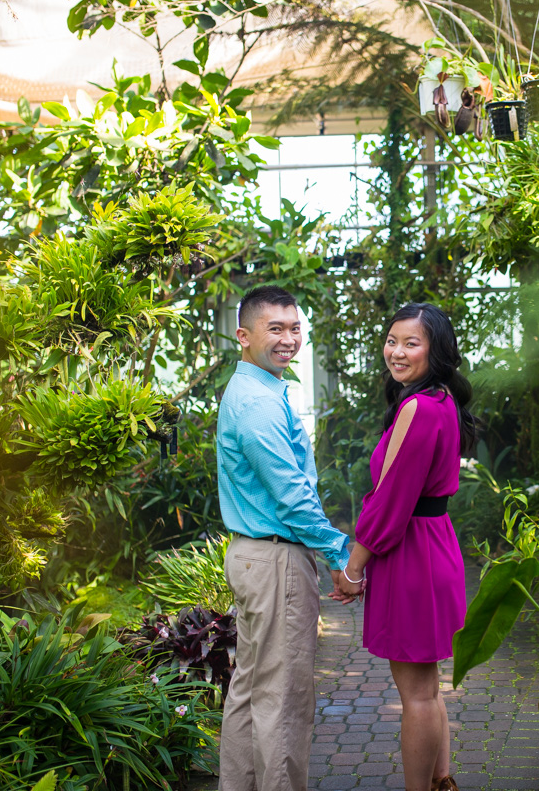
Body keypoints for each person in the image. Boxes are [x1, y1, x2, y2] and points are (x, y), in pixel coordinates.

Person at [216, 285, 356, 791]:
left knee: (252, 692)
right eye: (274, 328)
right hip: (275, 561)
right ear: (244, 336)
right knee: (283, 700)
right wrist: (342, 556)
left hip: (259, 557)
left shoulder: (259, 390)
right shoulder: (256, 401)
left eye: (294, 328)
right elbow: (292, 497)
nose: (288, 338)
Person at [337, 303, 475, 791]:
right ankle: (442, 780)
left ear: (436, 351)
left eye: (410, 343)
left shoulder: (420, 407)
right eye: (391, 340)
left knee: (415, 694)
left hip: (412, 552)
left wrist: (353, 568)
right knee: (427, 685)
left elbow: (390, 499)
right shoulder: (440, 402)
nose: (396, 352)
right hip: (433, 546)